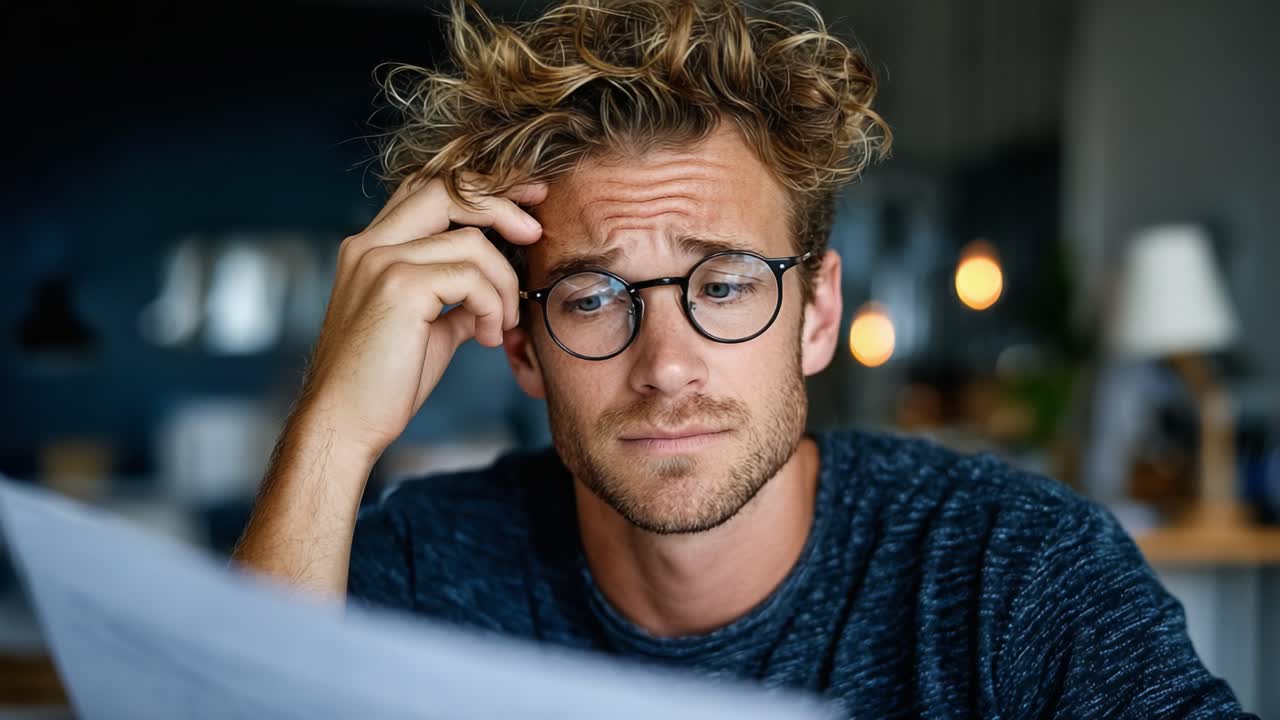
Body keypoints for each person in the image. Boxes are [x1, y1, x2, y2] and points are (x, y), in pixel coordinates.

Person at [233, 0, 1254, 716]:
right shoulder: (422, 574)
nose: (666, 367)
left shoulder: (1013, 573)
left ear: (815, 315)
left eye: (722, 286)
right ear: (521, 344)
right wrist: (332, 424)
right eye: (592, 298)